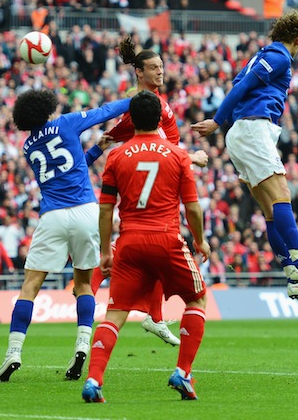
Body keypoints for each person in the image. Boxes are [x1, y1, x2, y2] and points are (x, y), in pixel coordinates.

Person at [192, 10, 298, 299]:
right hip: (253, 129)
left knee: (271, 210)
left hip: (244, 132)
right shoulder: (280, 57)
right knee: (282, 193)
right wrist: (217, 119)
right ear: (297, 39)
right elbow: (242, 87)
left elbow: (238, 82)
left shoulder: (260, 56)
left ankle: (292, 275)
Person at [0, 89, 130, 383]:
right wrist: (137, 101)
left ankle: (14, 352)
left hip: (53, 215)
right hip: (85, 211)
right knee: (83, 284)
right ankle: (82, 345)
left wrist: (96, 150)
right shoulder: (66, 123)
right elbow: (105, 111)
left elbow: (61, 169)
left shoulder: (29, 146)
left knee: (30, 285)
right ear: (47, 108)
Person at [82, 91, 210, 403]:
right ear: (160, 118)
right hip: (166, 239)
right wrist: (200, 239)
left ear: (131, 120)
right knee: (198, 298)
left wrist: (104, 251)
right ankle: (182, 372)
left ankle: (94, 381)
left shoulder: (116, 156)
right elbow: (192, 208)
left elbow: (105, 210)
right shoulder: (178, 155)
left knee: (114, 315)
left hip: (129, 243)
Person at [84, 35, 209, 347]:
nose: (160, 71)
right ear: (138, 71)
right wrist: (190, 157)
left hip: (163, 169)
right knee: (154, 243)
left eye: (162, 67)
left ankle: (151, 314)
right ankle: (92, 286)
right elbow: (128, 135)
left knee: (150, 250)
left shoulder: (152, 101)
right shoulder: (141, 105)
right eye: (154, 67)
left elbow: (113, 136)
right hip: (155, 175)